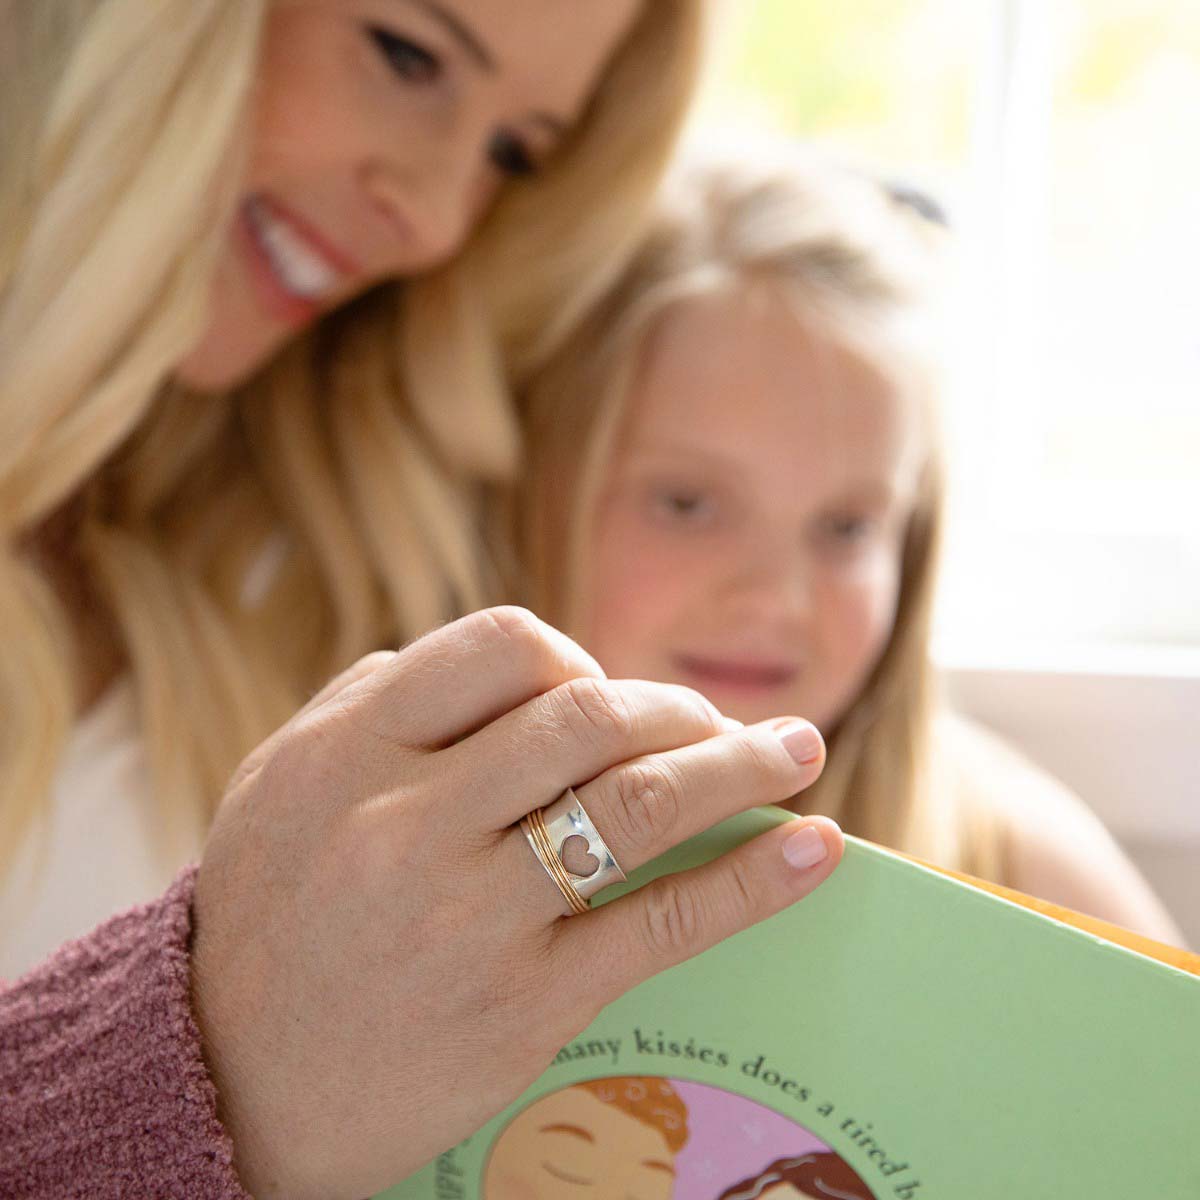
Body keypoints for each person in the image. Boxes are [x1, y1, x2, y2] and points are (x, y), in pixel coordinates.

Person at [0, 6, 847, 1197]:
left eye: (516, 153)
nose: (440, 217)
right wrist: (210, 1062)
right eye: (408, 57)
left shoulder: (309, 543)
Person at [514, 149, 1184, 945]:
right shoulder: (406, 859)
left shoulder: (1012, 863)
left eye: (846, 528)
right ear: (536, 490)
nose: (775, 599)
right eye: (687, 505)